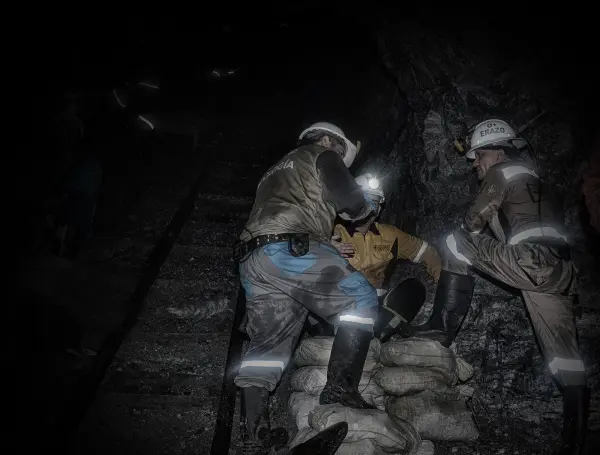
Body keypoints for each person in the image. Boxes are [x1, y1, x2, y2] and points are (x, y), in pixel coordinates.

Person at [411, 119, 587, 454]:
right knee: (565, 360)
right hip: (560, 271)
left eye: (479, 156)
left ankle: (441, 327)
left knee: (455, 239)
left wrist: (474, 246)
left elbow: (473, 221)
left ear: (498, 152)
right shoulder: (537, 182)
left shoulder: (501, 172)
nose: (475, 163)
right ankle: (575, 439)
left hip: (528, 261)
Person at [234, 122, 380, 451]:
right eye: (341, 150)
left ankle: (252, 431)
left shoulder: (273, 171)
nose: (341, 159)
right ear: (327, 139)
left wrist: (323, 241)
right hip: (289, 252)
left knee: (267, 348)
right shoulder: (322, 154)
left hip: (254, 258)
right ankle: (341, 391)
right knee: (360, 300)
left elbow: (287, 211)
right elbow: (351, 203)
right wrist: (365, 207)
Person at [327, 173, 442, 341]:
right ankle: (352, 336)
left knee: (413, 288)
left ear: (379, 209)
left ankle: (378, 335)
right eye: (362, 202)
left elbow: (427, 252)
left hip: (376, 304)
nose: (368, 208)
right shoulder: (333, 232)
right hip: (341, 303)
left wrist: (442, 281)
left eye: (373, 202)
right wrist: (325, 247)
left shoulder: (389, 234)